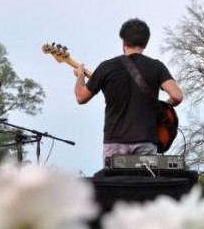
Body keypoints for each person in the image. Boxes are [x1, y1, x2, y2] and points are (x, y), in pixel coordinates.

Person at [73, 18, 184, 162]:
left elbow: (81, 97)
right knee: (145, 178)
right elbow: (177, 96)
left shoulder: (106, 67)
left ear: (123, 41)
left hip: (115, 140)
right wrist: (161, 106)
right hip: (146, 140)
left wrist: (80, 76)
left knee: (116, 177)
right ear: (145, 43)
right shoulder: (157, 67)